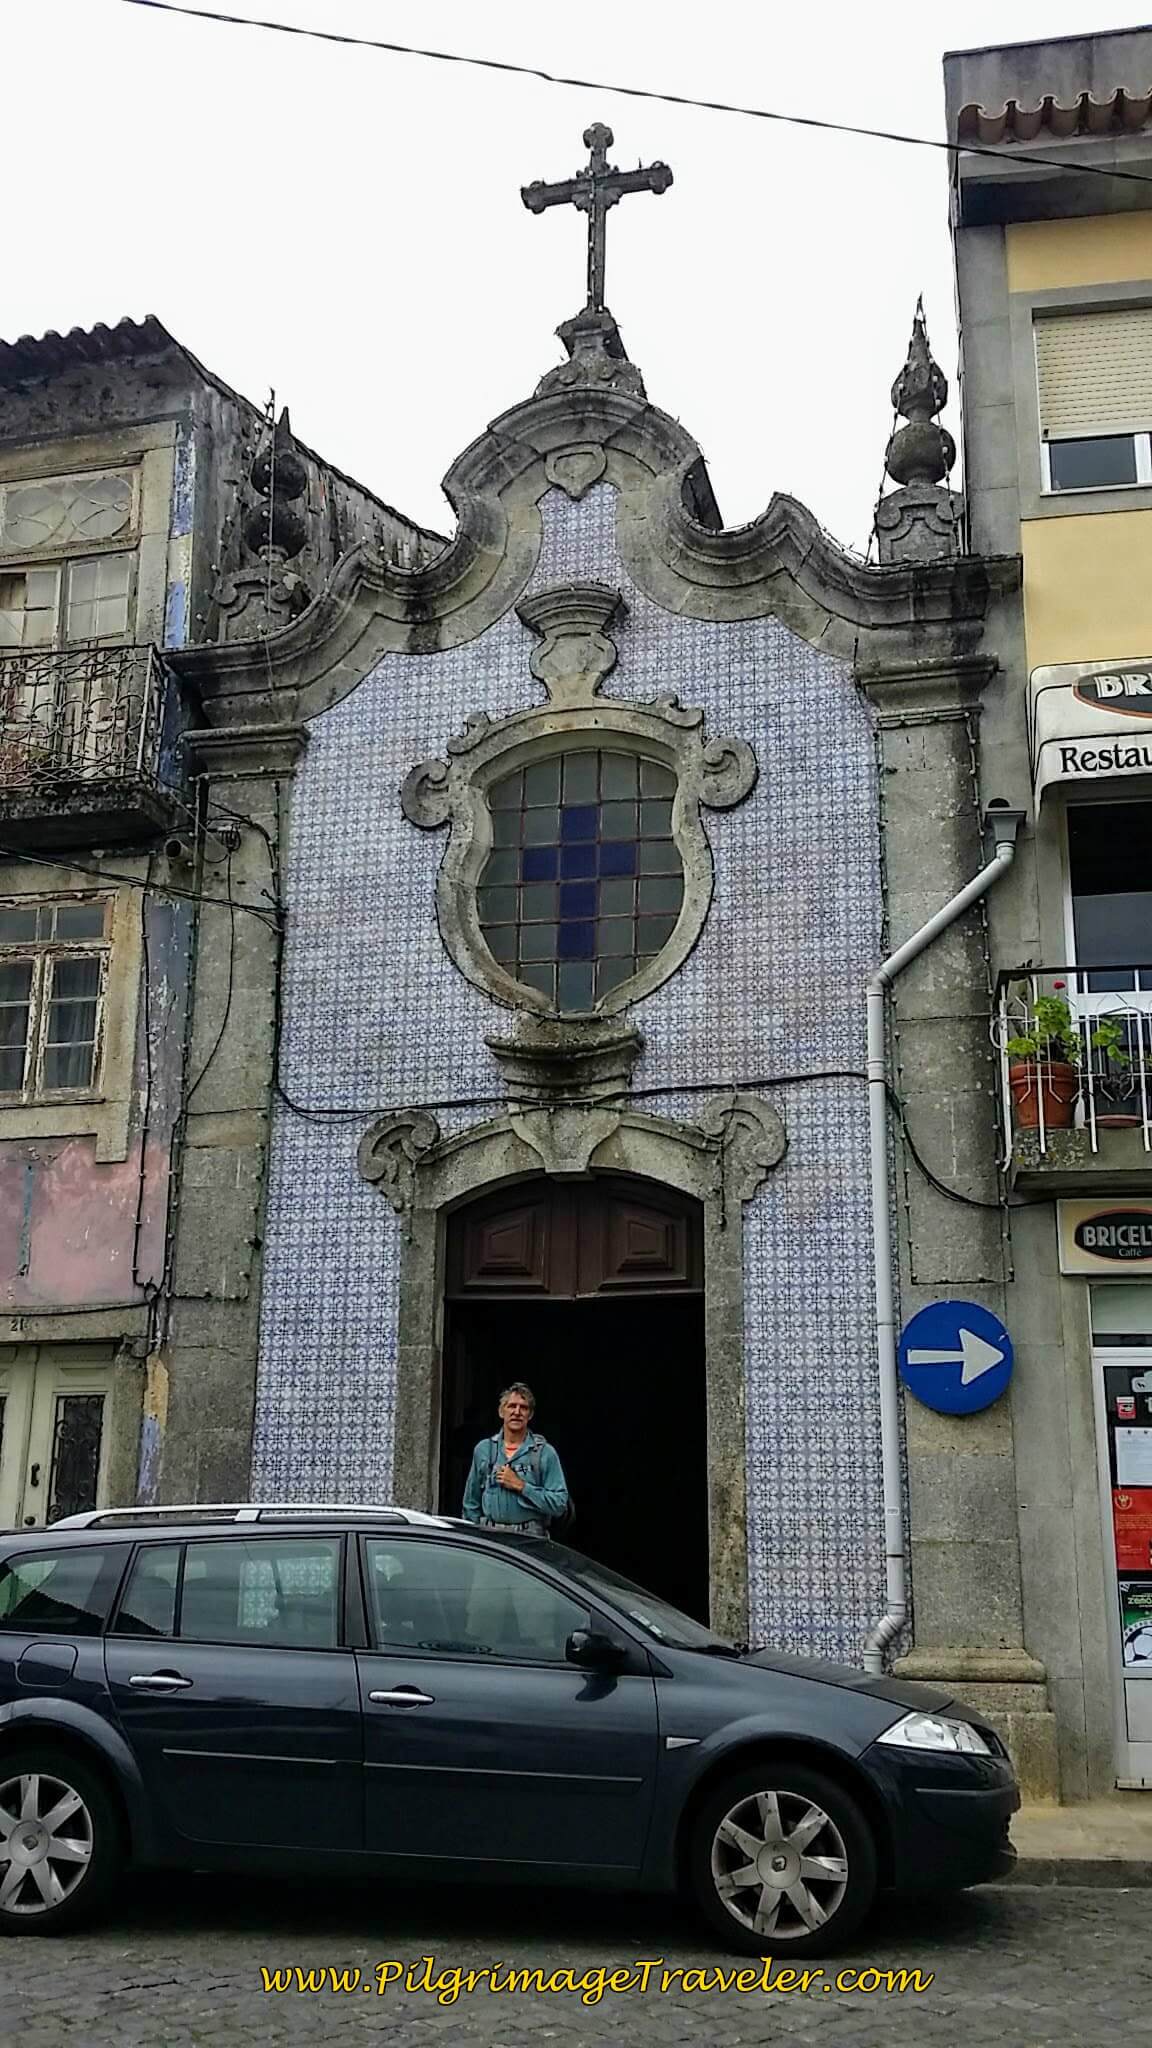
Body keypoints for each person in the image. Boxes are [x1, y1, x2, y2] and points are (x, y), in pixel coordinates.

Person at [462, 1382, 569, 1537]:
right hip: (491, 1536)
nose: (517, 1412)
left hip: (530, 1538)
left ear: (530, 1415)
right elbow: (471, 1503)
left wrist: (521, 1486)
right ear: (501, 1411)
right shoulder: (484, 1450)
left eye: (523, 1408)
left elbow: (559, 1504)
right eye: (511, 1406)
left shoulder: (545, 1453)